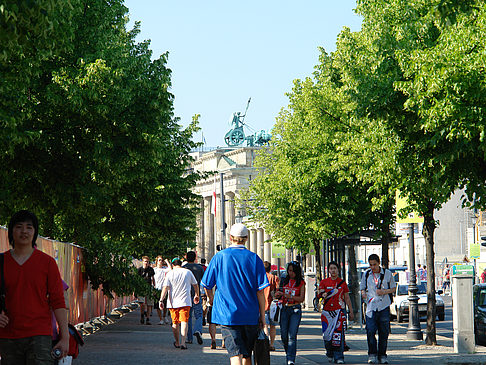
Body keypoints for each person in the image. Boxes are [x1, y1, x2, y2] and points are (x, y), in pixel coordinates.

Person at [0, 210, 69, 364]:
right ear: (11, 231)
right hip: (7, 336)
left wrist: (65, 337)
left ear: (35, 232)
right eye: (19, 227)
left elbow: (58, 301)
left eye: (29, 227)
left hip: (39, 336)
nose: (24, 231)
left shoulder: (47, 263)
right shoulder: (1, 262)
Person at [201, 223, 269, 365]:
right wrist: (263, 317)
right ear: (246, 238)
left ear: (231, 237)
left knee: (235, 354)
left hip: (228, 314)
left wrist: (211, 299)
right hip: (250, 315)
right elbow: (260, 291)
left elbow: (206, 284)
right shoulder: (254, 259)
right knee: (246, 355)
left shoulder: (219, 257)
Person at [360, 254, 396, 364]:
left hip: (383, 306)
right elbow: (362, 288)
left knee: (383, 332)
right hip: (371, 307)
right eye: (370, 265)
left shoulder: (387, 273)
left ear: (378, 263)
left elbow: (394, 288)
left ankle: (382, 355)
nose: (372, 267)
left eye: (374, 264)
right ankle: (372, 354)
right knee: (370, 331)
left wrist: (384, 292)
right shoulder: (366, 274)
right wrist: (363, 294)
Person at [159, 257, 199, 350]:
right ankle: (183, 342)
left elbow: (165, 288)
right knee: (184, 321)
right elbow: (195, 284)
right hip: (185, 301)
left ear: (172, 265)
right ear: (181, 264)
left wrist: (161, 300)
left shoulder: (170, 273)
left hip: (173, 302)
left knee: (175, 323)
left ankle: (177, 342)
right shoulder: (187, 272)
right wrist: (196, 295)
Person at [319, 261, 354, 364]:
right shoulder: (324, 282)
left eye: (335, 268)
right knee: (327, 335)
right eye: (331, 268)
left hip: (339, 312)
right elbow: (319, 294)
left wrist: (351, 311)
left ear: (338, 270)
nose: (333, 270)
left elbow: (347, 297)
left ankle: (339, 356)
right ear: (328, 270)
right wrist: (322, 294)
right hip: (327, 312)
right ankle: (329, 352)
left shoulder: (342, 283)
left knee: (338, 334)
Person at [275, 261, 306, 365]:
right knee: (284, 335)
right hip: (284, 309)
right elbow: (277, 293)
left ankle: (290, 359)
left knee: (292, 335)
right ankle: (289, 352)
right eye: (289, 270)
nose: (290, 273)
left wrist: (289, 296)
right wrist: (278, 294)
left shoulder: (301, 282)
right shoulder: (284, 280)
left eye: (293, 271)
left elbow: (301, 298)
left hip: (295, 310)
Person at [182, 251, 205, 345]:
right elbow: (204, 281)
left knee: (188, 317)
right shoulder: (199, 268)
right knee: (199, 314)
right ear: (195, 257)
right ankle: (198, 330)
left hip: (186, 295)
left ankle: (189, 338)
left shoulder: (184, 268)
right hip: (196, 295)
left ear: (186, 257)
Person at [263, 261, 279, 351]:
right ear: (270, 269)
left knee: (265, 325)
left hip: (263, 305)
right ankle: (272, 344)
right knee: (273, 326)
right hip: (273, 305)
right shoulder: (274, 278)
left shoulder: (260, 278)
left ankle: (265, 343)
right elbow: (278, 291)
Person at [137, 256, 155, 325]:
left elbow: (153, 278)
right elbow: (137, 279)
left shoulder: (151, 270)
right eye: (145, 261)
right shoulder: (139, 270)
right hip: (141, 288)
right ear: (142, 262)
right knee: (142, 303)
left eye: (147, 262)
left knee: (149, 304)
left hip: (149, 287)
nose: (146, 263)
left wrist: (154, 287)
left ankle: (147, 318)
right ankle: (142, 315)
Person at [154, 256, 171, 325]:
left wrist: (167, 262)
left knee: (165, 304)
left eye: (161, 260)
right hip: (156, 289)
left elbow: (170, 269)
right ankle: (161, 319)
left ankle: (164, 316)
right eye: (159, 260)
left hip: (163, 289)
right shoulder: (154, 269)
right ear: (157, 261)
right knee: (157, 305)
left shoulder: (164, 269)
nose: (161, 261)